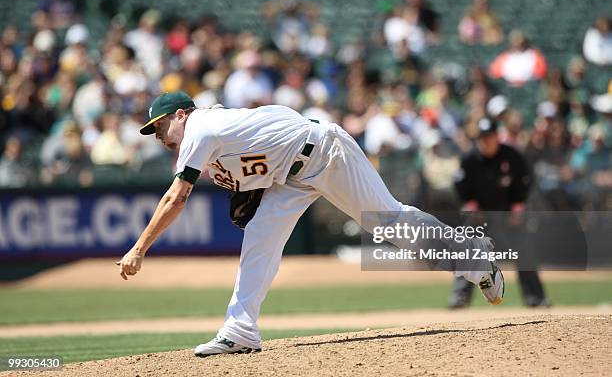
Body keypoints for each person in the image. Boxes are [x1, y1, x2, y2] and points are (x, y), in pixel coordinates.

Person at [116, 91, 505, 357]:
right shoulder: (215, 130)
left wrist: (139, 248)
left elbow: (177, 197)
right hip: (289, 176)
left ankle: (474, 257)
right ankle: (240, 331)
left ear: (181, 114)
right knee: (260, 238)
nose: (158, 136)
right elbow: (270, 124)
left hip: (325, 152)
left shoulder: (200, 129)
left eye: (161, 126)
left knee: (388, 222)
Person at [449, 117, 549, 308]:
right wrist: (471, 205)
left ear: (497, 136)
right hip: (480, 216)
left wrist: (517, 207)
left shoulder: (511, 156)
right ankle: (460, 297)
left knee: (525, 253)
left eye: (490, 136)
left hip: (508, 214)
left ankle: (536, 298)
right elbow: (460, 186)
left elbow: (525, 182)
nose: (486, 141)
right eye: (482, 137)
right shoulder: (470, 158)